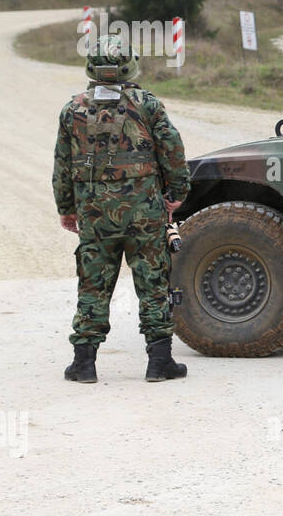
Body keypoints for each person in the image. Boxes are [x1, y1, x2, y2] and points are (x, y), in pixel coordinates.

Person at [53, 34, 191, 382]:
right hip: (144, 212)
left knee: (93, 285)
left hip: (95, 215)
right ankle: (159, 362)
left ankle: (84, 363)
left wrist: (67, 208)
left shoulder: (73, 109)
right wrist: (177, 192)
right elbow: (172, 150)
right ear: (129, 64)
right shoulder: (147, 104)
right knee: (153, 282)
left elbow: (62, 165)